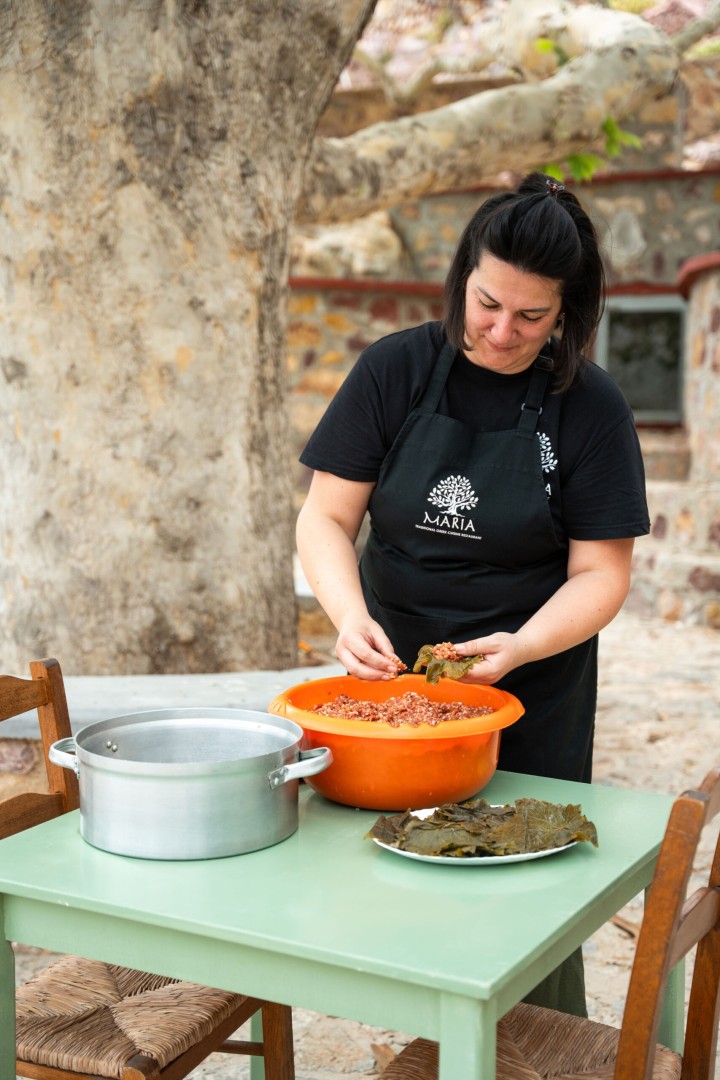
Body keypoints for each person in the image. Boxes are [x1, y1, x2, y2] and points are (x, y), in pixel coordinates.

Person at [295, 172, 650, 1015]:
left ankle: (543, 1049)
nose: (500, 331)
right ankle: (418, 1043)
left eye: (532, 317)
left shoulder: (591, 408)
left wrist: (521, 647)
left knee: (527, 896)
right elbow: (324, 518)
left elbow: (602, 573)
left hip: (528, 685)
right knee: (380, 870)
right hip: (390, 685)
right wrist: (350, 619)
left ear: (567, 312)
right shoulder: (394, 369)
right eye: (487, 303)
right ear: (462, 278)